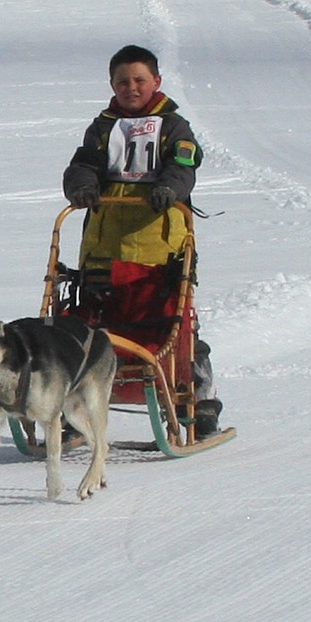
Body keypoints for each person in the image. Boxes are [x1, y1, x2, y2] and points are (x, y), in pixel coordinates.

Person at [61, 44, 223, 436]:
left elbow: (184, 165)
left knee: (174, 326)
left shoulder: (174, 126)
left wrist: (169, 187)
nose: (131, 88)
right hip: (104, 248)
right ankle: (73, 407)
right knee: (89, 327)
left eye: (139, 80)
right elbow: (83, 164)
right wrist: (81, 186)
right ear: (112, 85)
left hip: (160, 249)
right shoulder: (102, 127)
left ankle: (200, 403)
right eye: (122, 82)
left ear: (156, 82)